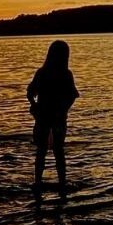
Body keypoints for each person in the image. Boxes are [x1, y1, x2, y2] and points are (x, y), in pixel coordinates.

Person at [26, 40, 79, 190]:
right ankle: (62, 183)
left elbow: (30, 93)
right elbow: (73, 96)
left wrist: (34, 106)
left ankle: (38, 182)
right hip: (56, 117)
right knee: (58, 151)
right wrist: (64, 109)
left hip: (44, 116)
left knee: (41, 151)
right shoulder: (66, 74)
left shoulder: (42, 73)